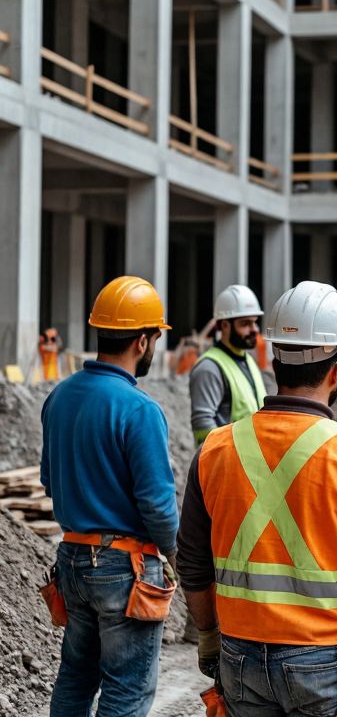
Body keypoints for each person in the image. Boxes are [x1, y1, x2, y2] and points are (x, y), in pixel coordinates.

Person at [177, 281, 337, 715]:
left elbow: (192, 561)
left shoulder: (215, 450)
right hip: (324, 661)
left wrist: (208, 635)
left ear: (273, 357)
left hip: (238, 654)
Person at [42, 276, 178, 716]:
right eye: (155, 338)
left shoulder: (59, 396)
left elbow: (49, 479)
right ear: (142, 341)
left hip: (72, 561)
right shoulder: (139, 410)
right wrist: (179, 555)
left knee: (75, 681)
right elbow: (157, 505)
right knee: (127, 690)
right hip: (125, 570)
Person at [190, 284, 267, 445]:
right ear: (224, 326)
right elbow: (202, 424)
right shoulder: (209, 368)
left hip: (251, 464)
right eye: (245, 324)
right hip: (226, 466)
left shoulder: (248, 360)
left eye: (255, 322)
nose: (254, 329)